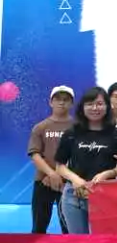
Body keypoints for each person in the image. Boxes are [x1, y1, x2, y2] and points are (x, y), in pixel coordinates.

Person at [54, 87, 117, 234]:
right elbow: (60, 166)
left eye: (99, 104)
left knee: (103, 242)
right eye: (90, 104)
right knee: (78, 242)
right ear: (82, 107)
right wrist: (75, 180)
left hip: (105, 195)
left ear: (107, 106)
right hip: (74, 196)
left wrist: (108, 173)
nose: (95, 108)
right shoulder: (71, 133)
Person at [27, 85, 74, 234]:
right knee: (38, 227)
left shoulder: (79, 127)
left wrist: (61, 175)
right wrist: (51, 174)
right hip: (43, 181)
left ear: (71, 103)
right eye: (58, 99)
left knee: (69, 228)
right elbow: (35, 154)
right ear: (50, 102)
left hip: (69, 183)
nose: (62, 102)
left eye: (66, 99)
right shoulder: (40, 127)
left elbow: (80, 154)